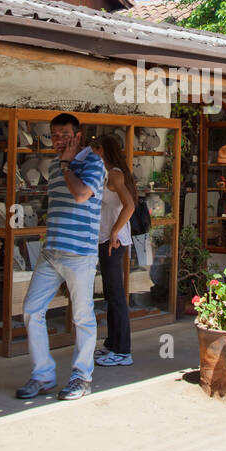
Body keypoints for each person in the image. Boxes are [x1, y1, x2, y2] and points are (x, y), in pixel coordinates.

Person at [16, 113, 106, 401]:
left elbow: (81, 195)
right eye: (54, 136)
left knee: (82, 317)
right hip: (51, 250)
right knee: (31, 309)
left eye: (65, 135)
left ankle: (82, 377)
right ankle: (43, 375)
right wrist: (63, 166)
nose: (59, 141)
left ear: (78, 136)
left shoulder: (93, 162)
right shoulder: (54, 166)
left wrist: (67, 166)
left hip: (80, 253)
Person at [92, 134, 136, 367]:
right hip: (106, 239)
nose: (93, 154)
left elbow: (129, 205)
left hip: (113, 242)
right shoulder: (108, 173)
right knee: (111, 294)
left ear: (103, 150)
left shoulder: (115, 174)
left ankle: (122, 350)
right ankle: (112, 343)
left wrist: (115, 232)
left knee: (117, 296)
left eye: (95, 150)